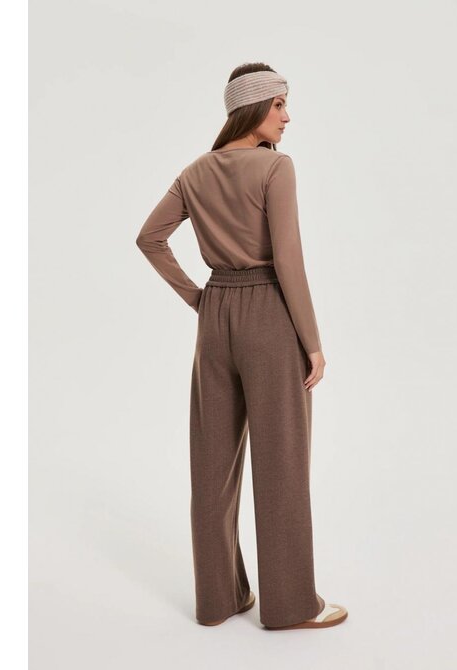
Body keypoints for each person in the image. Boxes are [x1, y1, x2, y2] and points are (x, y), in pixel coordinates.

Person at [135, 63, 347, 630]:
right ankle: (290, 605)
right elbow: (288, 260)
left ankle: (218, 599)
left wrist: (199, 299)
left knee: (212, 464)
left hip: (216, 317)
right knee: (282, 464)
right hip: (270, 316)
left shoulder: (194, 172)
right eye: (279, 104)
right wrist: (313, 342)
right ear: (253, 108)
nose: (287, 116)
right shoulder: (276, 167)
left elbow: (149, 238)